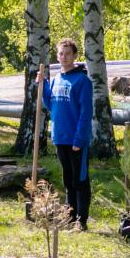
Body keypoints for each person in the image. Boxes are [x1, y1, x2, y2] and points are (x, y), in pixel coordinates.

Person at [37, 38, 94, 230]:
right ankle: (69, 217)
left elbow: (86, 112)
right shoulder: (56, 80)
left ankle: (81, 220)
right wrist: (43, 85)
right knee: (68, 180)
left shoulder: (82, 81)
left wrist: (79, 138)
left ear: (74, 56)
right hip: (60, 137)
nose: (64, 57)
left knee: (80, 180)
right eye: (61, 53)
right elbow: (50, 104)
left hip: (76, 139)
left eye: (68, 53)